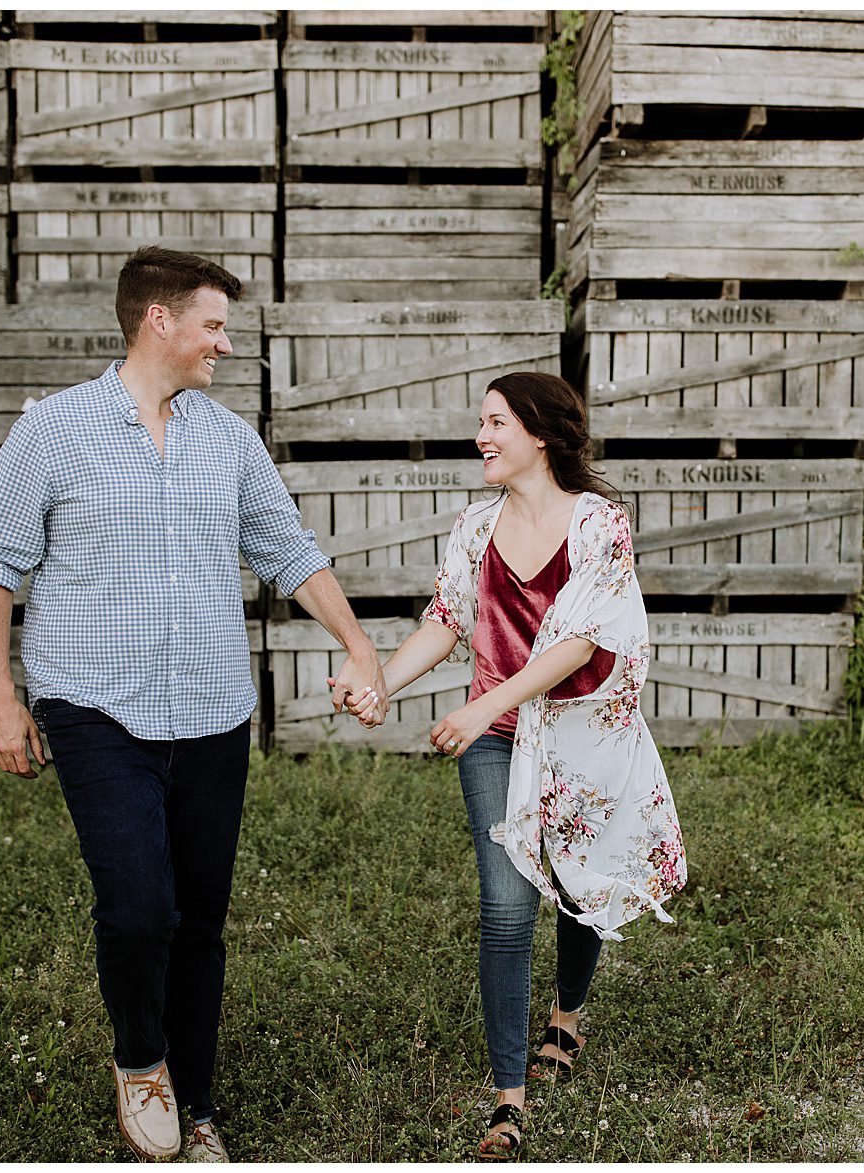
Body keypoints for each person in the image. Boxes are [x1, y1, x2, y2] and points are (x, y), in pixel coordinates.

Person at [0, 245, 384, 1163]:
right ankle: (141, 1060)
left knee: (201, 919)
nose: (224, 343)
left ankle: (200, 1101)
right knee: (140, 906)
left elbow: (289, 548)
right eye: (213, 325)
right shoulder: (54, 429)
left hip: (215, 710)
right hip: (95, 706)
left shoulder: (227, 439)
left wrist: (357, 640)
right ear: (160, 321)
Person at [340, 371, 687, 1160]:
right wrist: (381, 684)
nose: (481, 436)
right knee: (505, 905)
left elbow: (579, 643)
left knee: (574, 882)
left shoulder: (602, 525)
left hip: (581, 733)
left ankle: (567, 1013)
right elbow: (448, 619)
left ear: (540, 432)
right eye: (481, 422)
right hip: (496, 735)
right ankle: (508, 1098)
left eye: (496, 422)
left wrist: (477, 706)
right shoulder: (474, 527)